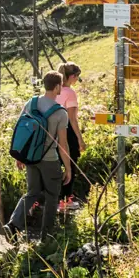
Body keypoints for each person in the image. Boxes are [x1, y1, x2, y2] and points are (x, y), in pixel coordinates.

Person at [4, 71, 71, 241]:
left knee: (31, 192)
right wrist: (68, 168)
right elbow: (63, 144)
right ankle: (46, 237)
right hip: (49, 160)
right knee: (52, 195)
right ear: (57, 87)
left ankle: (13, 225)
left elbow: (21, 131)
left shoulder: (31, 103)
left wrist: (20, 156)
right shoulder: (60, 113)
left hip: (31, 157)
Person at [57, 62, 87, 212]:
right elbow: (72, 119)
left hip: (53, 131)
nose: (77, 80)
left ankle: (54, 199)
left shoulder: (54, 90)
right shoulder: (70, 92)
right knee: (70, 164)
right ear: (72, 76)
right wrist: (80, 139)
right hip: (67, 131)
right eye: (77, 77)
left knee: (56, 165)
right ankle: (65, 200)